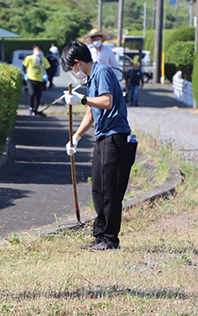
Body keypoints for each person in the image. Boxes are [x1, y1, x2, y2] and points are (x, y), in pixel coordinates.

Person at [60, 41, 137, 250]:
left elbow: (106, 102)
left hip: (115, 136)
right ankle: (100, 236)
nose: (72, 73)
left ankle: (110, 239)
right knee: (98, 188)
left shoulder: (102, 72)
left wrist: (82, 99)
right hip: (103, 136)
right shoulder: (92, 78)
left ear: (77, 63)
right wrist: (76, 136)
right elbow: (91, 112)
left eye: (70, 68)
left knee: (109, 190)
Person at [22, 44, 50, 116]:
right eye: (36, 50)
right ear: (33, 50)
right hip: (30, 78)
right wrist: (25, 74)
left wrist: (46, 75)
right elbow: (24, 65)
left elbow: (48, 68)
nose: (37, 51)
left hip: (40, 79)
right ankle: (31, 108)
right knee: (32, 93)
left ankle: (35, 109)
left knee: (38, 96)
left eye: (38, 50)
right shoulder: (29, 58)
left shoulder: (43, 59)